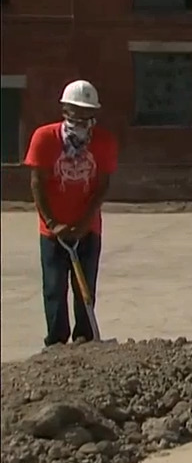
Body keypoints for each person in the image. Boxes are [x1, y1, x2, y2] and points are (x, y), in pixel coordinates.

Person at [24, 80, 119, 346]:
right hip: (53, 231)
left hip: (88, 229)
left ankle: (85, 339)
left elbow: (102, 186)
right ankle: (56, 342)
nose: (80, 118)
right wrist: (53, 223)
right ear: (64, 109)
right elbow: (37, 183)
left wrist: (85, 221)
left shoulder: (104, 142)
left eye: (87, 112)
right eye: (75, 110)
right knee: (54, 288)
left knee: (85, 288)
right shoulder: (44, 138)